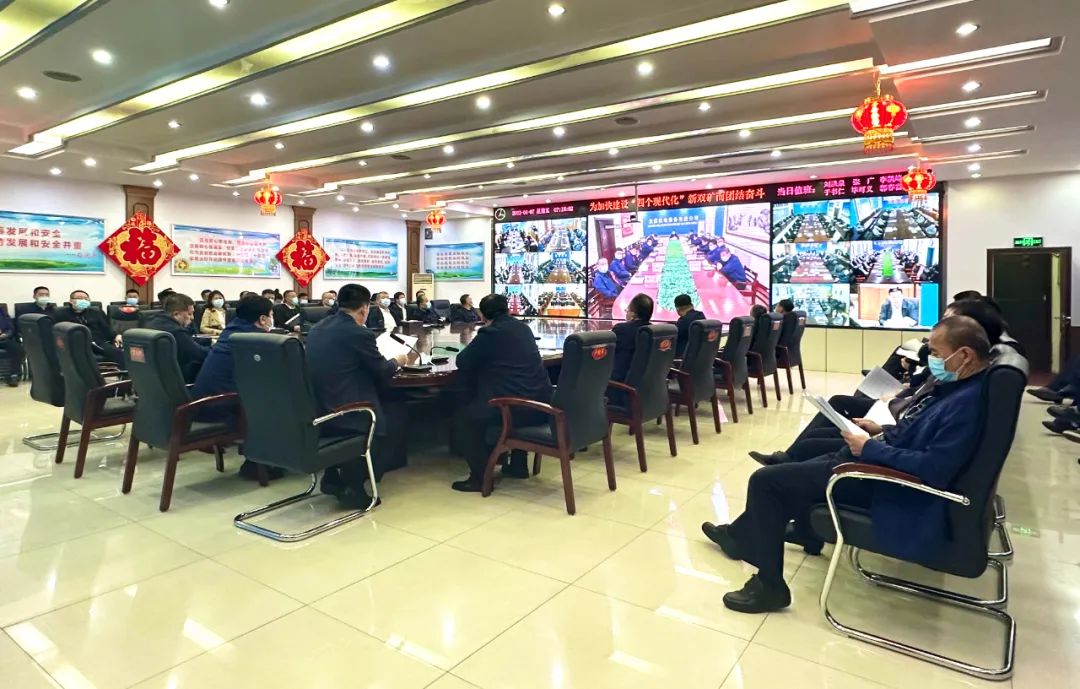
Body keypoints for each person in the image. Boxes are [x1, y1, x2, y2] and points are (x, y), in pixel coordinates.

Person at [703, 315, 993, 613]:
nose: (930, 358)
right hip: (880, 463)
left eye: (934, 353)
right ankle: (766, 536)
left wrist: (870, 449)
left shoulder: (965, 404)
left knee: (766, 481)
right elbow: (918, 435)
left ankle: (769, 585)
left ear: (965, 355)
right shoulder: (962, 389)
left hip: (889, 485)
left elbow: (934, 467)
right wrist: (880, 432)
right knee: (798, 468)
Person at [751, 298, 1008, 466]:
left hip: (890, 444)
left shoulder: (963, 394)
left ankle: (790, 465)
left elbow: (932, 460)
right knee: (834, 415)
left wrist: (880, 434)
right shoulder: (959, 378)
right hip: (896, 421)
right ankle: (789, 459)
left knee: (817, 442)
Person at [305, 284, 409, 507]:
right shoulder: (359, 333)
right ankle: (353, 484)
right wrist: (398, 361)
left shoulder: (317, 328)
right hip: (347, 408)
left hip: (317, 405)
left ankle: (332, 476)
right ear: (364, 308)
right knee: (396, 415)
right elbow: (381, 370)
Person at [450, 293, 554, 492]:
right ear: (507, 310)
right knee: (514, 394)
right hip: (542, 405)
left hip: (515, 409)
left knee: (465, 419)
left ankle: (480, 478)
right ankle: (518, 465)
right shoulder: (523, 329)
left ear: (483, 316)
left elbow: (463, 361)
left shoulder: (490, 334)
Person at [191, 295, 282, 481]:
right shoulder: (254, 339)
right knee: (278, 401)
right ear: (262, 319)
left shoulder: (232, 331)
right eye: (271, 315)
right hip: (221, 407)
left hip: (202, 403)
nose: (272, 319)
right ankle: (257, 463)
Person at [144, 293, 210, 383]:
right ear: (176, 314)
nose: (192, 318)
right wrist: (216, 348)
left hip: (153, 381)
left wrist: (208, 341)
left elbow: (186, 342)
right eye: (189, 314)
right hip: (180, 382)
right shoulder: (176, 332)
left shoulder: (152, 322)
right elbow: (199, 354)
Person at [55, 290, 124, 366]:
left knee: (118, 353)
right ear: (71, 301)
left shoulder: (96, 313)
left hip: (97, 342)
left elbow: (106, 328)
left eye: (86, 299)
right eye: (80, 298)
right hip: (75, 344)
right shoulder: (60, 314)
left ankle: (126, 372)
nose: (83, 300)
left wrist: (116, 336)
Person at [611, 293, 654, 382]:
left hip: (619, 384)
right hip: (647, 384)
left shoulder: (621, 329)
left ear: (633, 315)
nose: (626, 313)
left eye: (627, 310)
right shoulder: (654, 331)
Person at [0, 304, 24, 386]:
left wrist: (6, 334)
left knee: (18, 349)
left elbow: (10, 327)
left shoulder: (1, 311)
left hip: (3, 339)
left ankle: (13, 375)